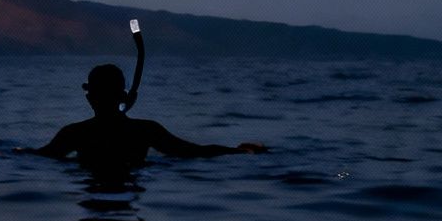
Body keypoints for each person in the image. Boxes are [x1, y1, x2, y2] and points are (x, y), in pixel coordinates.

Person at [28, 64, 266, 169]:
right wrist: (240, 150)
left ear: (89, 98)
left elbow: (40, 158)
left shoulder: (75, 133)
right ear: (123, 96)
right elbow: (193, 152)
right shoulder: (145, 130)